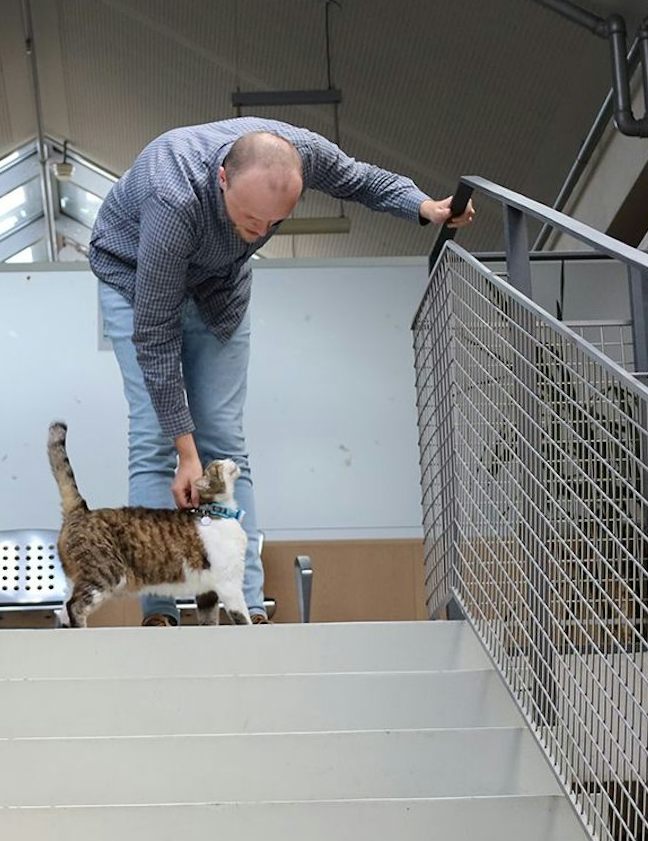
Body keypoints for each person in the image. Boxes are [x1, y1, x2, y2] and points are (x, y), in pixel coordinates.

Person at [87, 117, 474, 625]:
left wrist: (422, 206)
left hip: (219, 287)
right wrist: (186, 450)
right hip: (134, 277)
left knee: (225, 438)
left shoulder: (298, 153)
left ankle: (243, 605)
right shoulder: (172, 195)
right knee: (156, 438)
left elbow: (357, 178)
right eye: (250, 218)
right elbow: (155, 335)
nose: (261, 231)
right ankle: (160, 610)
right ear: (222, 178)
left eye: (274, 222)